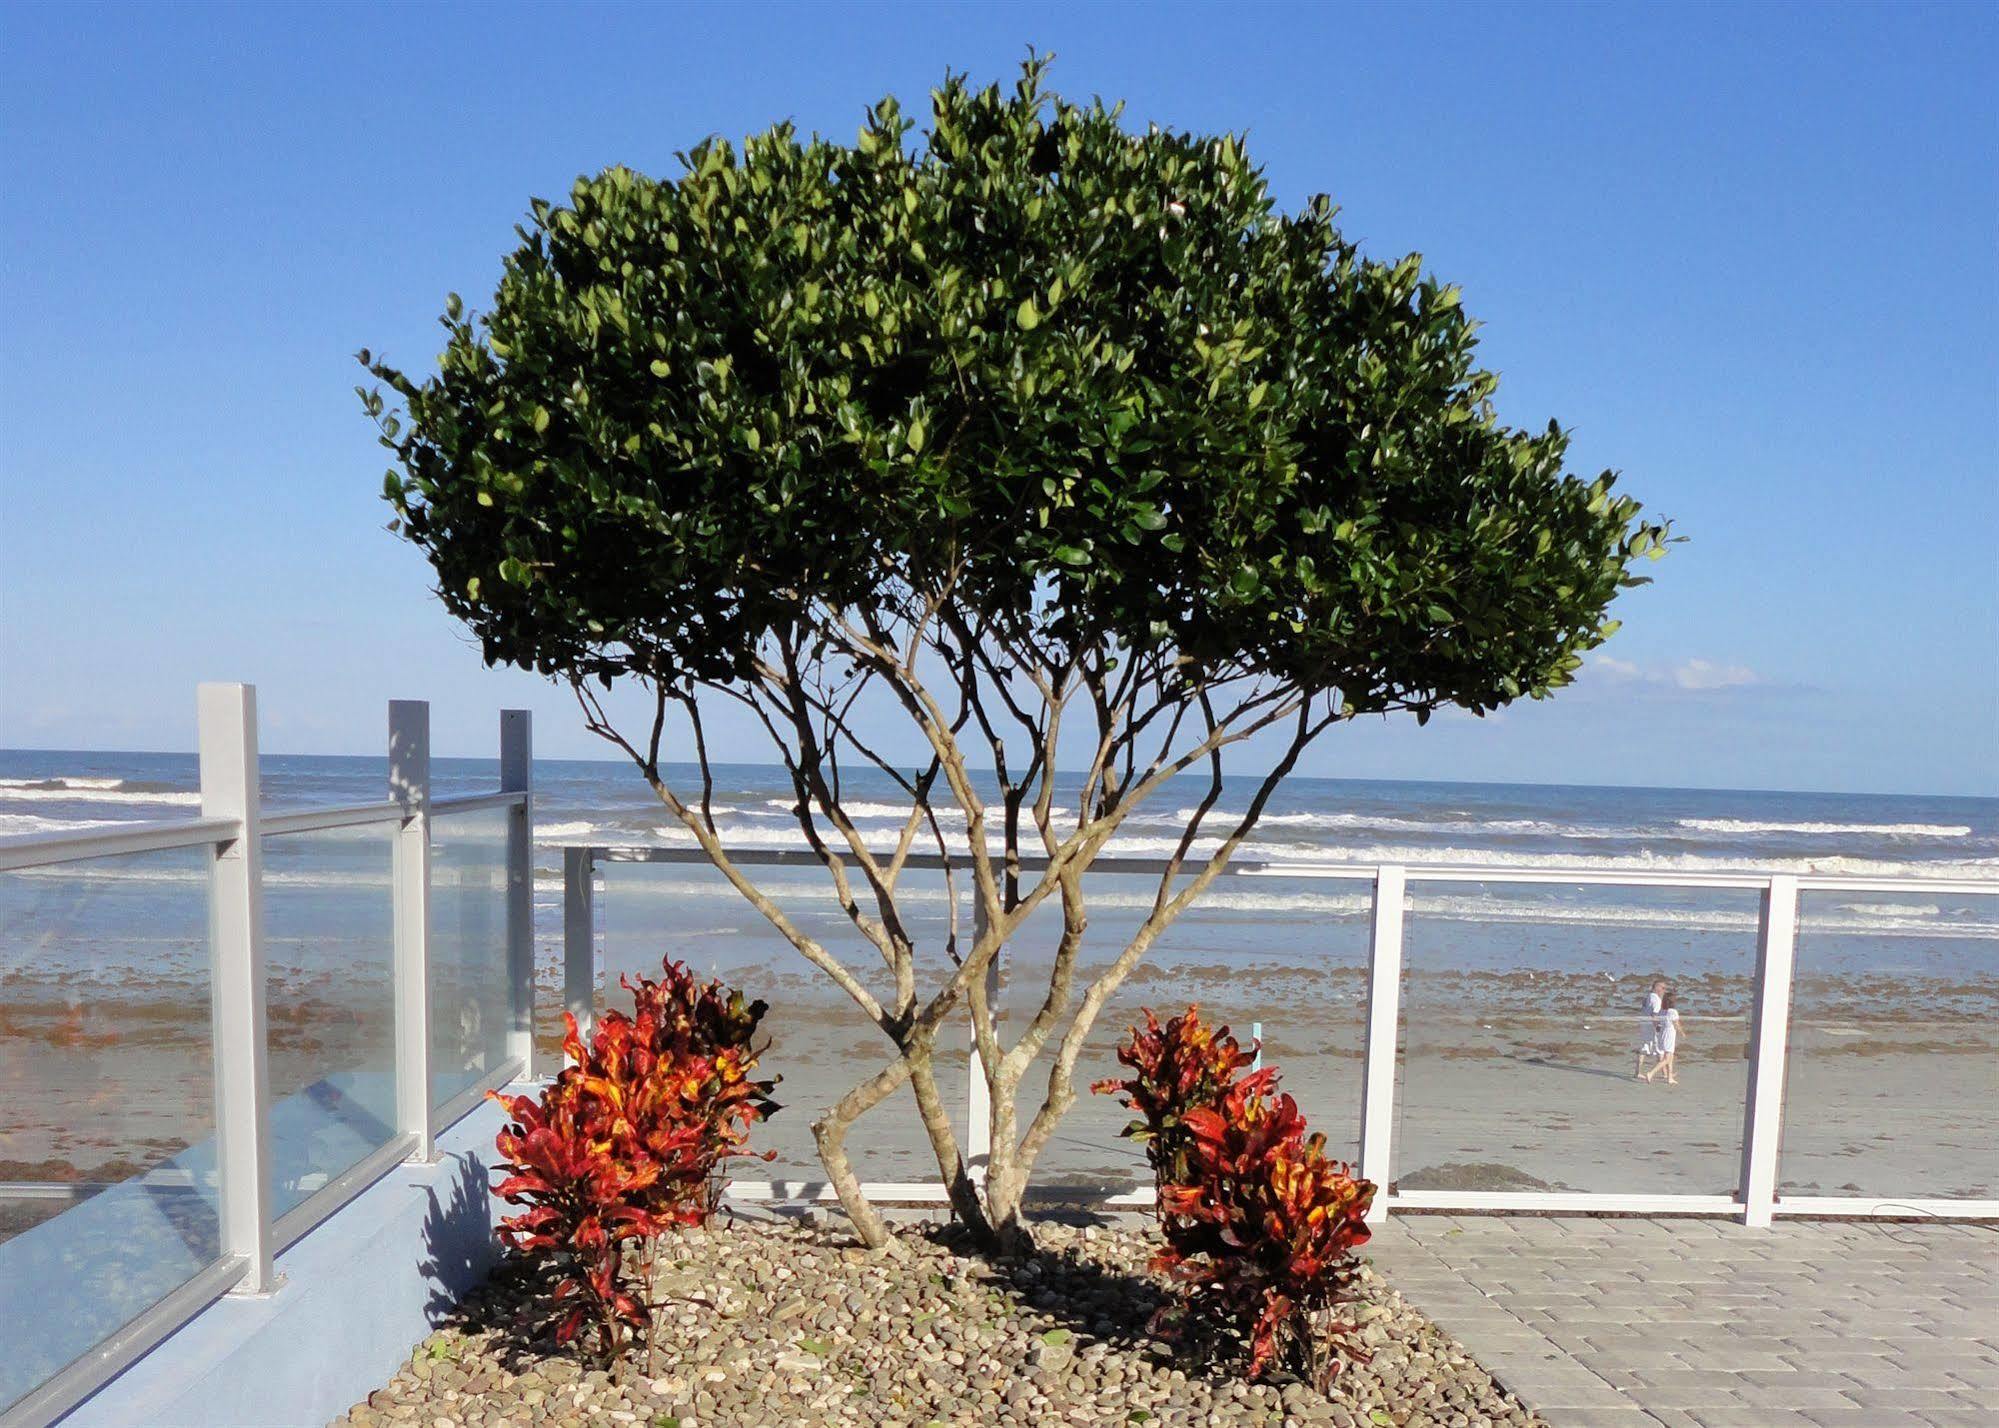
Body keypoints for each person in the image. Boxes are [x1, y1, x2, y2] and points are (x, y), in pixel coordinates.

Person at [1642, 991, 1686, 1085]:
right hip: (1669, 1034)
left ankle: (1669, 1078)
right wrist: (1682, 1033)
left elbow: (1657, 1022)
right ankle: (1651, 1073)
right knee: (1667, 1058)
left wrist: (1657, 1028)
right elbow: (1676, 1024)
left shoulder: (1662, 1011)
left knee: (1669, 1056)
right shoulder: (1673, 1011)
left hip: (1662, 1033)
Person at [1634, 978, 1667, 1078]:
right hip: (1651, 1025)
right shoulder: (1656, 999)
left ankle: (1638, 1072)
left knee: (1645, 1046)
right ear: (1657, 988)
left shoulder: (1648, 997)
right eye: (1663, 988)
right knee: (1659, 1048)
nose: (1664, 990)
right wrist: (1658, 1027)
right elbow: (1654, 1015)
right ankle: (1664, 1073)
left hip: (1643, 1023)